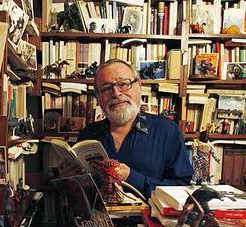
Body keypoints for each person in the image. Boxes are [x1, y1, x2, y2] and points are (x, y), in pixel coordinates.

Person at [77, 59, 193, 198]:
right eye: (106, 88)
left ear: (139, 86)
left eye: (123, 84)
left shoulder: (167, 131)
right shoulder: (88, 134)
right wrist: (70, 179)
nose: (116, 93)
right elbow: (80, 192)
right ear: (99, 97)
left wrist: (131, 177)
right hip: (97, 218)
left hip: (147, 218)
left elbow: (181, 188)